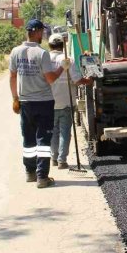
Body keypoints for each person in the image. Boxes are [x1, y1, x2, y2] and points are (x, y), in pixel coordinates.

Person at [9, 19, 70, 189]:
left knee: (28, 138)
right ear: (36, 32)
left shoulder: (15, 52)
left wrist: (15, 98)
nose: (43, 34)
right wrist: (62, 68)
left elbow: (12, 77)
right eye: (42, 31)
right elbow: (50, 79)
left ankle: (29, 173)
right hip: (43, 102)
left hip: (25, 102)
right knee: (43, 139)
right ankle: (42, 176)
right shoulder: (41, 53)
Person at [47, 33, 91, 169]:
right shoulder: (67, 59)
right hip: (66, 101)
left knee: (53, 131)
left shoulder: (45, 59)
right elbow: (77, 80)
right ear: (63, 45)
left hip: (49, 102)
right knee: (65, 131)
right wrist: (89, 81)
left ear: (49, 45)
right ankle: (62, 160)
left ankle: (54, 158)